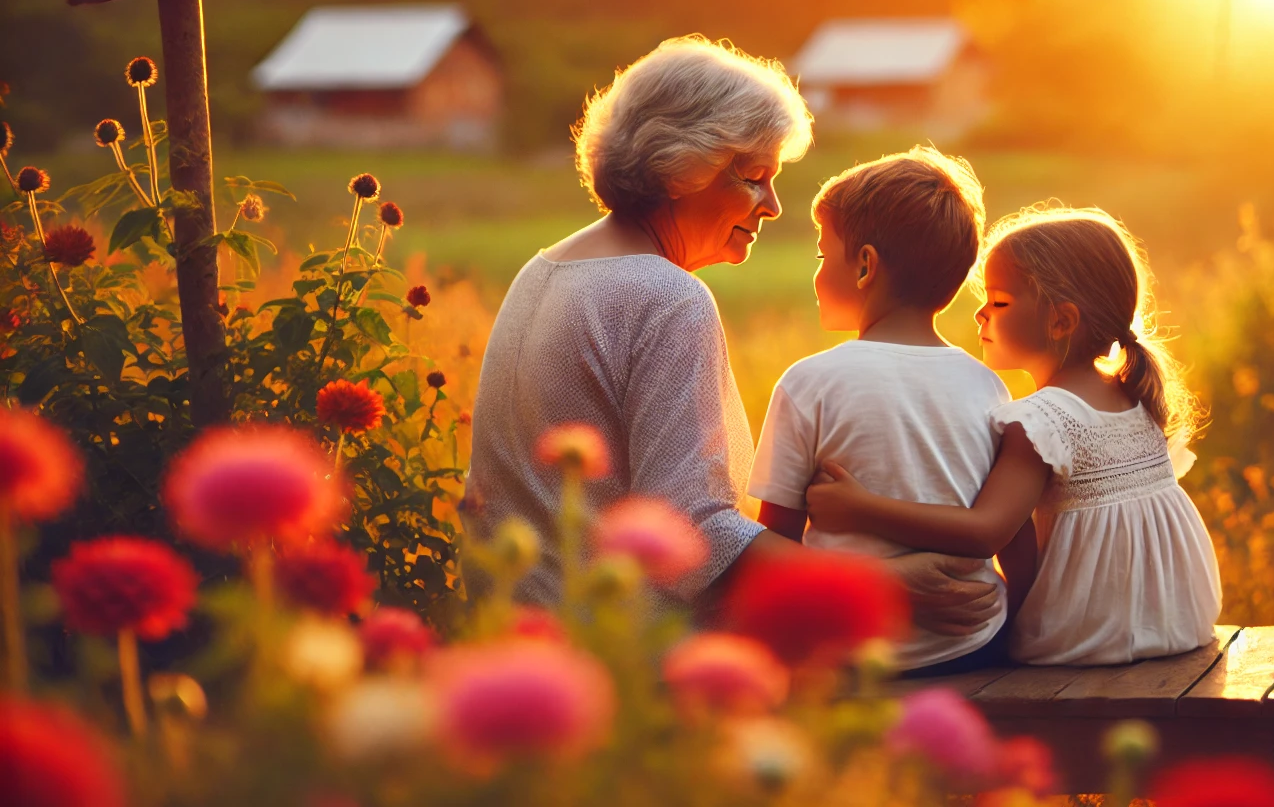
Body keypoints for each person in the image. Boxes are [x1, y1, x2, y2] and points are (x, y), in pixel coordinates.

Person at [464, 37, 998, 635]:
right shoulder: (665, 296)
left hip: (516, 636)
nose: (771, 205)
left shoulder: (541, 271)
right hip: (625, 659)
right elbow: (693, 526)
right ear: (680, 166)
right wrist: (883, 583)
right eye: (754, 177)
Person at [805, 205, 1223, 666]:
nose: (981, 313)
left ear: (1061, 321)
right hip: (1180, 622)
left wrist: (861, 508)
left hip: (1090, 639)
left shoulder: (1040, 421)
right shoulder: (1133, 397)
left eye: (1000, 301)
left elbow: (985, 532)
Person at [748, 148, 1033, 675]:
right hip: (974, 647)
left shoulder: (808, 383)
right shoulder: (989, 388)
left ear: (864, 266)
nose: (815, 273)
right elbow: (1017, 546)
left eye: (820, 255)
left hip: (854, 655)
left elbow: (777, 546)